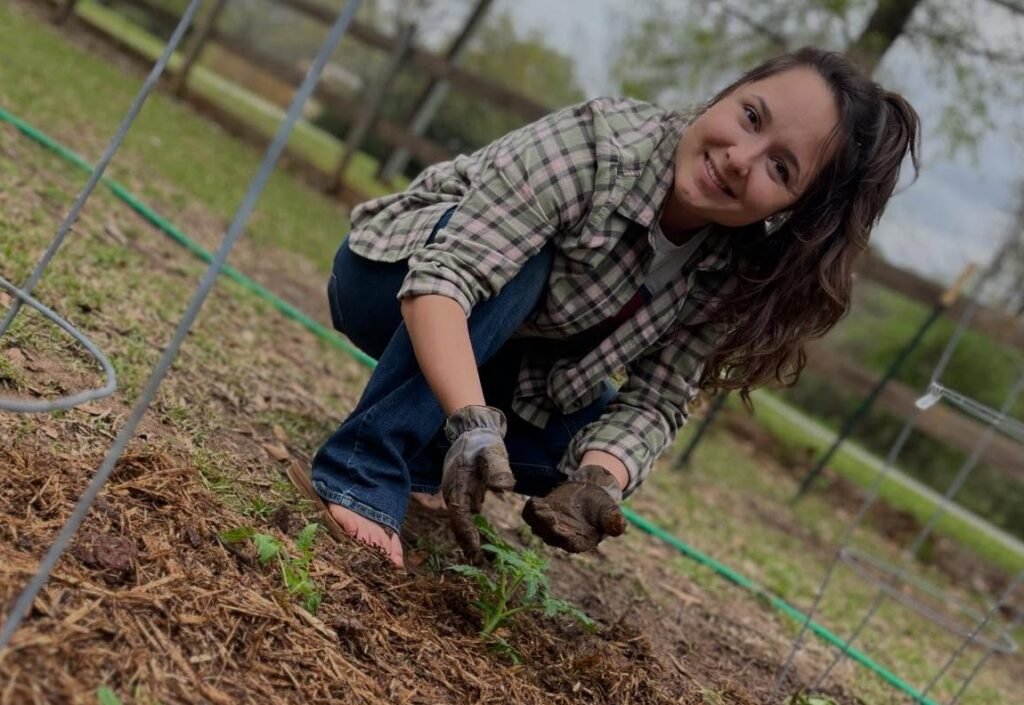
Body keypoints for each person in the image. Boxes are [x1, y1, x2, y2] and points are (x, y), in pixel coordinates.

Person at [289, 47, 920, 569]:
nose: (739, 158)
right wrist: (471, 424)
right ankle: (362, 469)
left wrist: (599, 480)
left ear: (792, 208)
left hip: (507, 351)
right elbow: (447, 277)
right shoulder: (601, 146)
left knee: (576, 443)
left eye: (780, 168)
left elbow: (656, 399)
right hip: (389, 280)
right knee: (526, 261)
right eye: (751, 117)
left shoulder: (737, 269)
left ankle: (429, 460)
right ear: (727, 93)